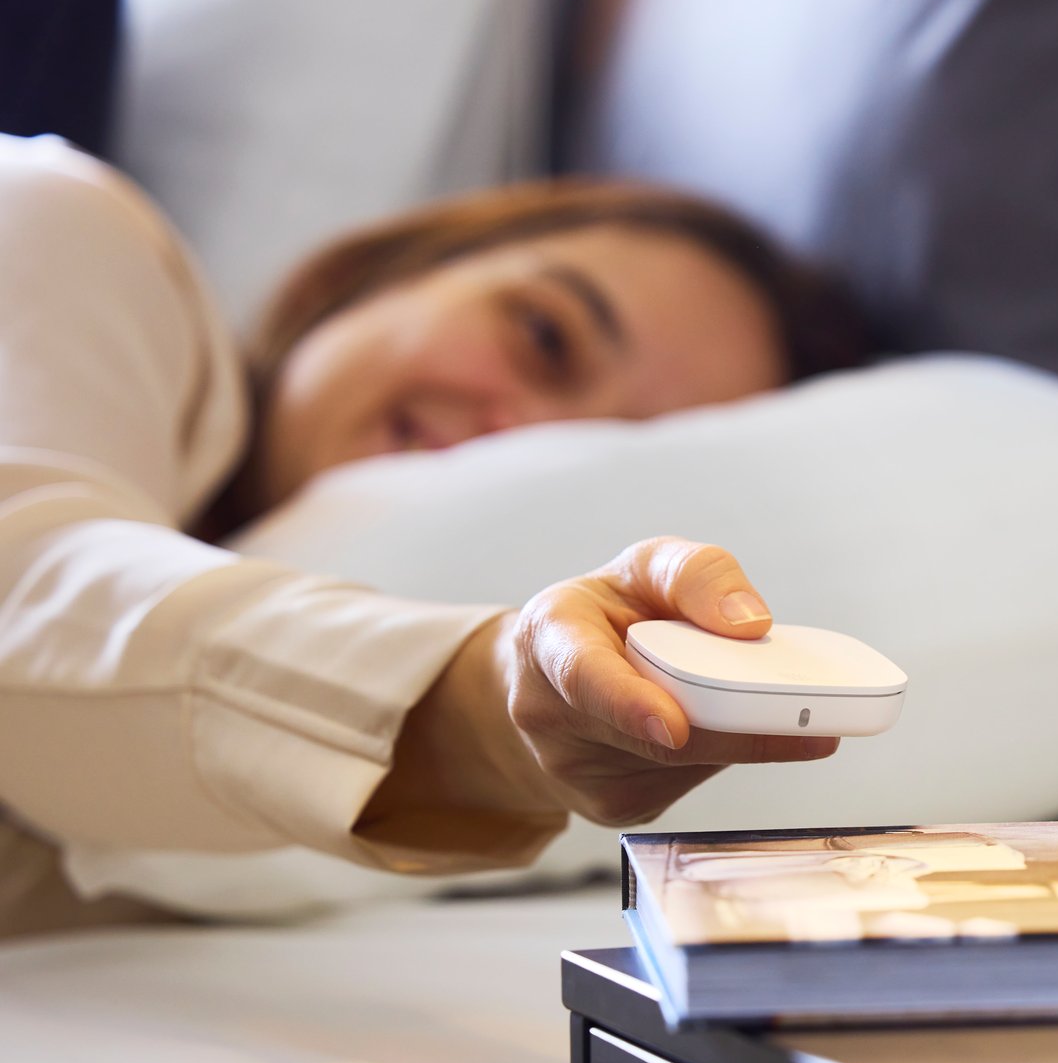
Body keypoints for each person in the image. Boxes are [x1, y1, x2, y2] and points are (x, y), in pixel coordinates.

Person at [0, 134, 869, 936]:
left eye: (601, 453)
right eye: (544, 335)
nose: (524, 437)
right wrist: (496, 694)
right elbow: (31, 589)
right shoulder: (59, 228)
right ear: (392, 268)